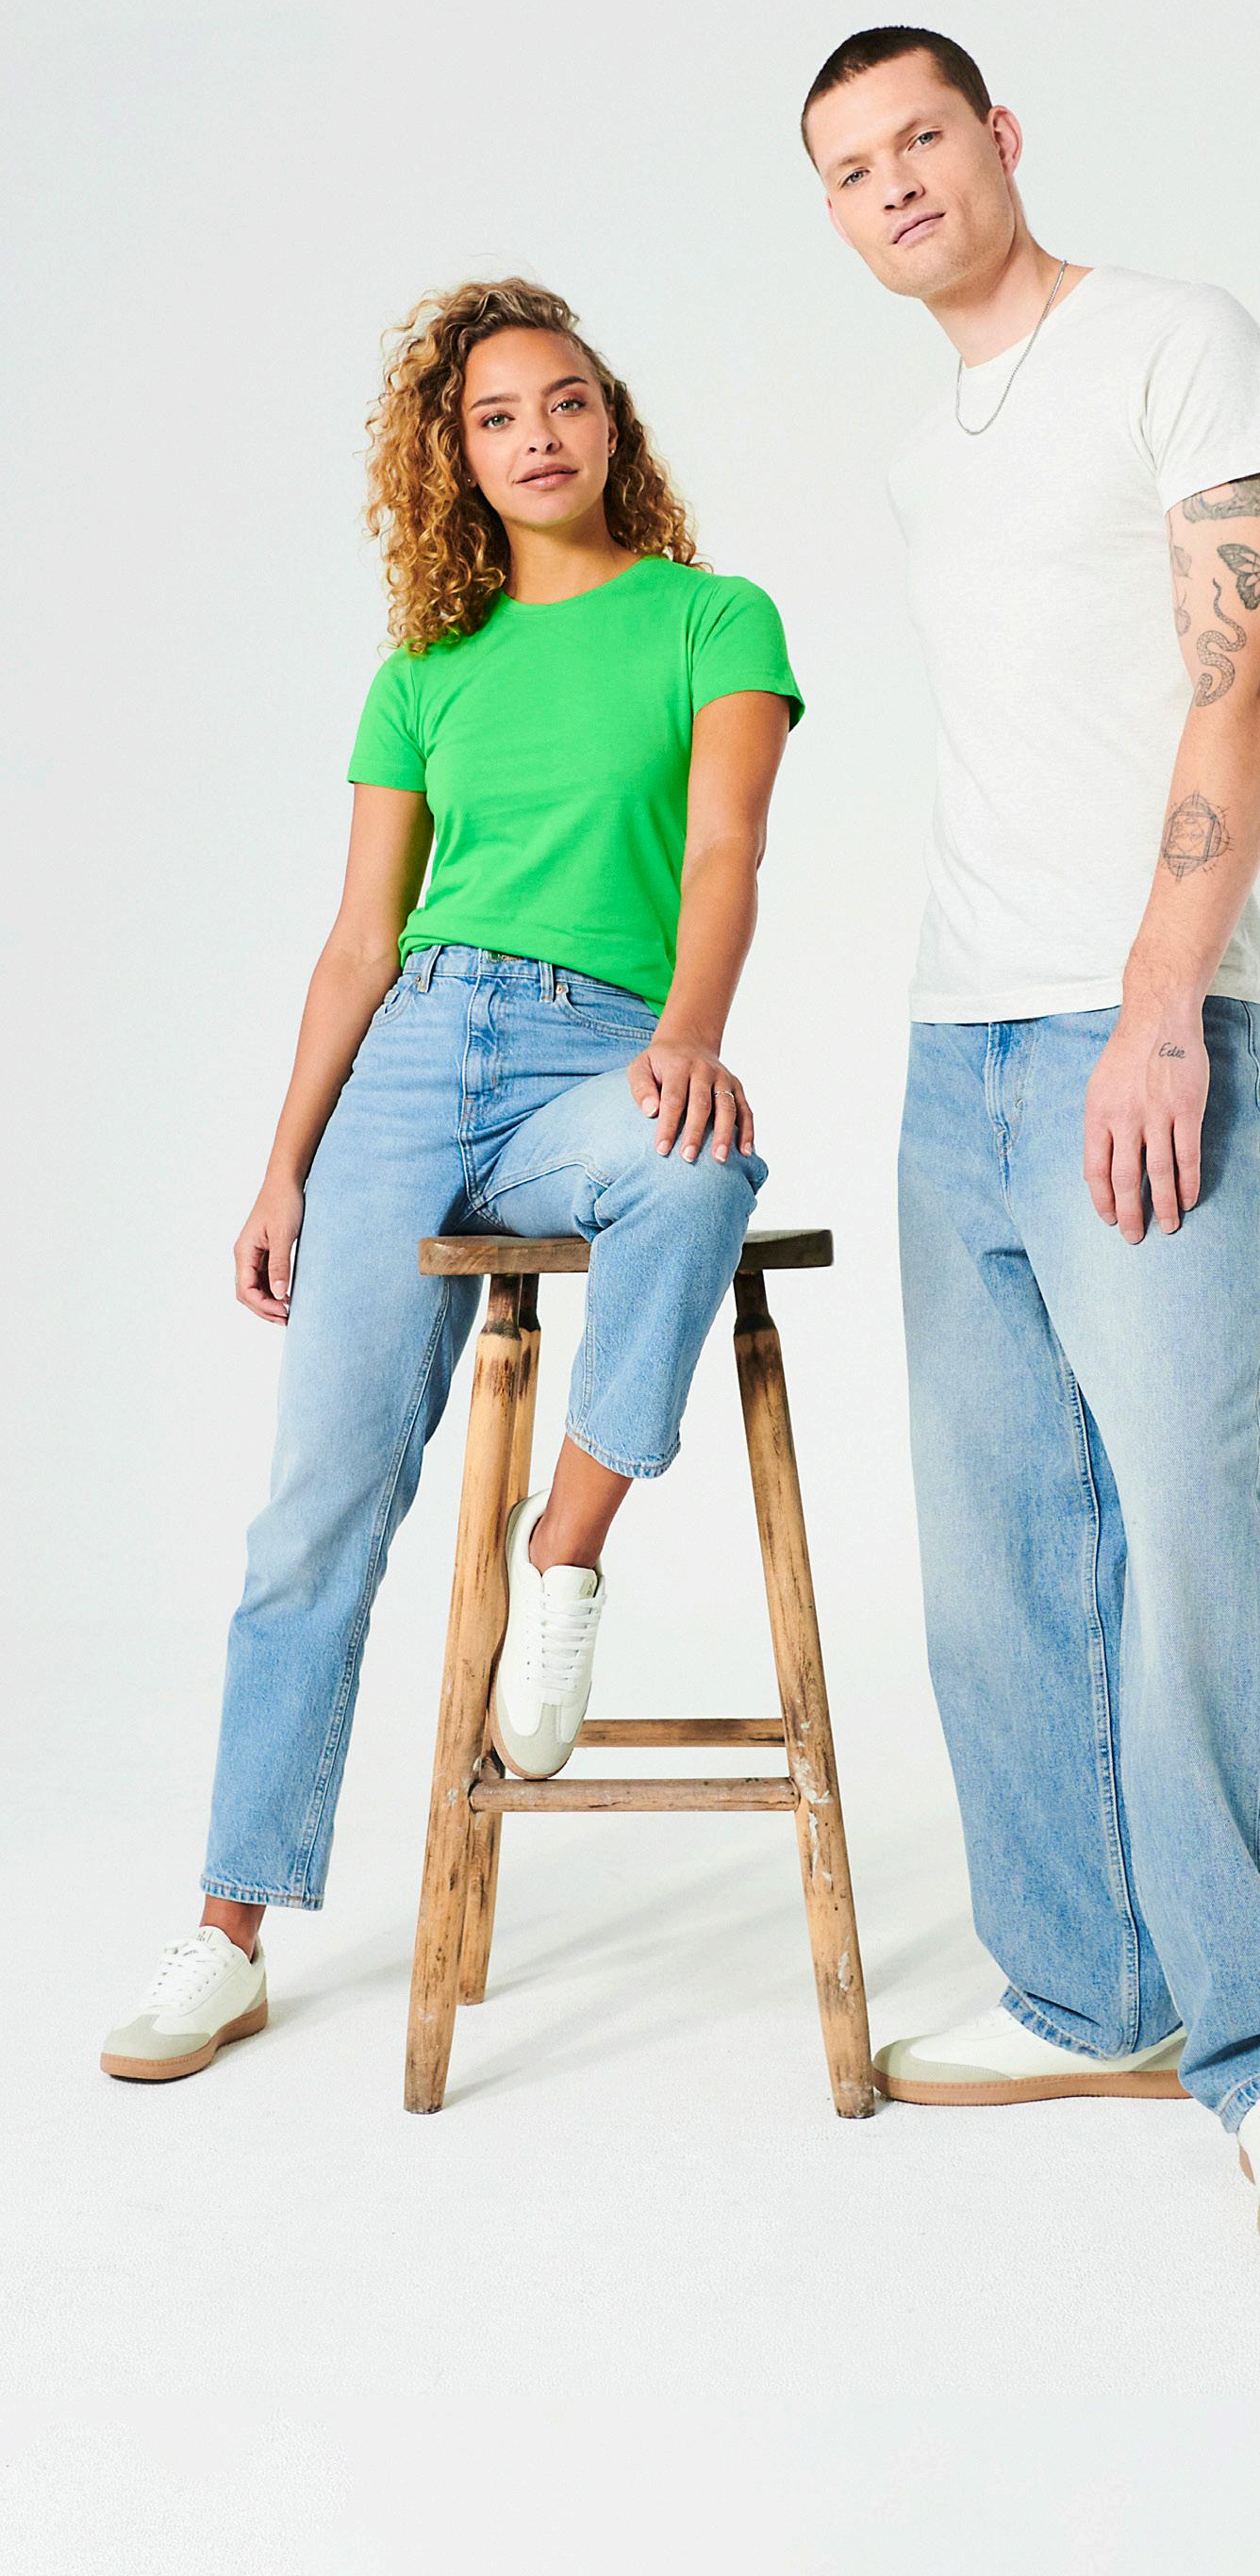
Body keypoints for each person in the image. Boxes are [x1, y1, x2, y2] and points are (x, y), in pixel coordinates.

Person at [802, 25, 1260, 2269]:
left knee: (1188, 1518)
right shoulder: (917, 452)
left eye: (920, 137)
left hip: (1141, 1018)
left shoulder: (1172, 340)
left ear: (1001, 136)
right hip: (956, 1035)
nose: (893, 184)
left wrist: (1161, 996)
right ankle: (1087, 1985)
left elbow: (1248, 677)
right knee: (1000, 1550)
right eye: (848, 169)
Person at [101, 279, 800, 2084]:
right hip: (414, 1060)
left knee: (704, 1156)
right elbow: (358, 940)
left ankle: (560, 1555)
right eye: (497, 417)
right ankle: (228, 1930)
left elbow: (725, 850)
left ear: (611, 420)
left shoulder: (713, 617)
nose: (538, 436)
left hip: (602, 1048)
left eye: (565, 401)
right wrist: (282, 1166)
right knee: (315, 1511)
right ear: (458, 458)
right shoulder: (424, 672)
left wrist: (690, 1034)